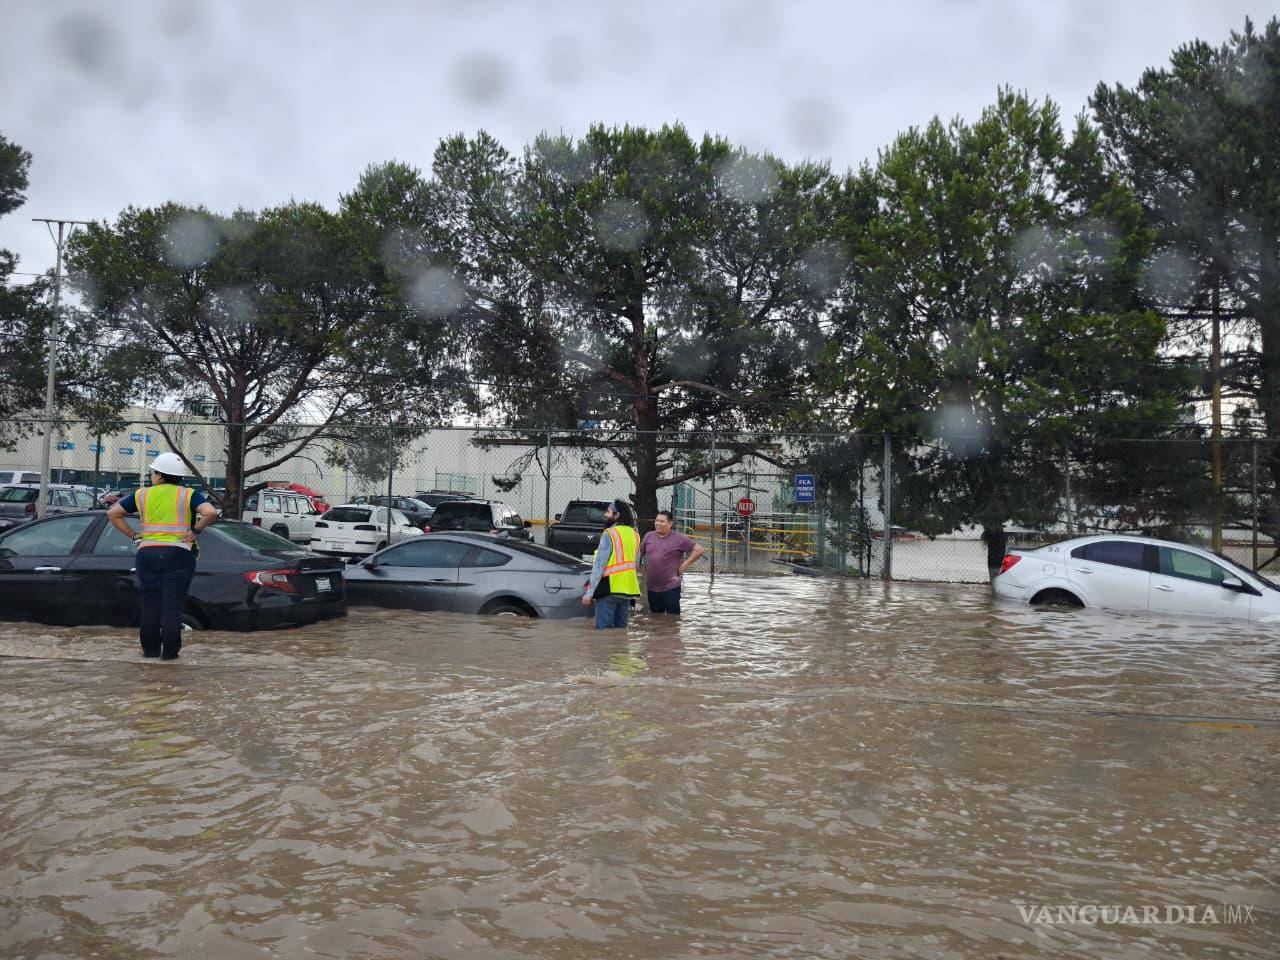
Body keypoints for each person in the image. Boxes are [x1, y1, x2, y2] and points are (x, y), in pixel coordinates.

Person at [107, 452, 218, 660]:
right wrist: (195, 531)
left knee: (150, 604)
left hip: (147, 554)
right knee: (172, 606)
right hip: (179, 555)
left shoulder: (142, 494)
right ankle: (169, 656)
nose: (152, 475)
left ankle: (149, 654)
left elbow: (113, 513)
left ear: (160, 475)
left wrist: (134, 536)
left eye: (153, 472)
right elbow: (211, 512)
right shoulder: (188, 494)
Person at [582, 499, 641, 629]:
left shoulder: (609, 533)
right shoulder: (635, 534)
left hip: (609, 589)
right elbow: (636, 564)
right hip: (627, 591)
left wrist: (589, 593)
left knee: (604, 634)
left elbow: (599, 565)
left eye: (608, 512)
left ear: (617, 515)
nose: (605, 515)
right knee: (620, 633)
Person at [639, 509, 705, 614]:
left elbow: (699, 550)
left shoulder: (679, 538)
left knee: (672, 621)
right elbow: (639, 553)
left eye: (662, 521)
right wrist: (638, 565)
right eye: (656, 521)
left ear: (670, 524)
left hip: (671, 587)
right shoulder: (648, 536)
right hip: (652, 587)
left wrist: (684, 565)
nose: (658, 524)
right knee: (655, 619)